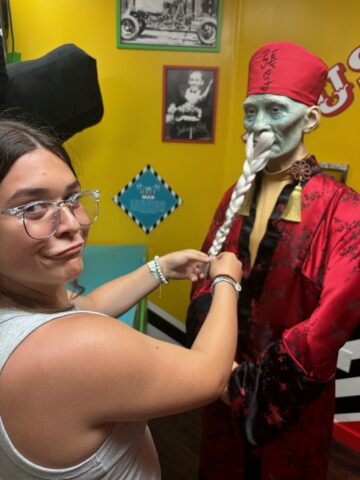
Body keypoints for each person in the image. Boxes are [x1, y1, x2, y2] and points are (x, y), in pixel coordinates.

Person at [0, 118, 243, 479]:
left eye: (71, 198)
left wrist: (161, 268)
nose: (71, 223)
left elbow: (88, 306)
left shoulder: (20, 306)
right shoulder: (75, 348)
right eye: (33, 208)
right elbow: (209, 375)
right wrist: (227, 279)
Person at [186, 41, 360, 480]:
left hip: (291, 399)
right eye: (251, 111)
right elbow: (207, 274)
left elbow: (333, 319)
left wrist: (252, 387)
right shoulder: (235, 195)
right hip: (221, 379)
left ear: (311, 118)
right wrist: (216, 364)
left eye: (276, 111)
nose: (259, 126)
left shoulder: (345, 210)